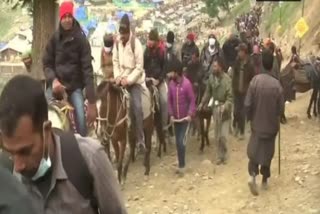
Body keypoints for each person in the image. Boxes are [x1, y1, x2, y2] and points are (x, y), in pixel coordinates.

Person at [0, 75, 127, 214]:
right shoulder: (8, 181)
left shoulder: (89, 157)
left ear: (47, 130)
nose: (18, 167)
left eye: (25, 151)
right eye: (11, 153)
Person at [43, 1, 97, 137]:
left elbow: (87, 70)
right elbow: (47, 64)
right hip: (55, 87)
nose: (67, 19)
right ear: (60, 18)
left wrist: (92, 101)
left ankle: (82, 148)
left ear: (73, 17)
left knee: (80, 118)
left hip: (74, 88)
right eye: (64, 16)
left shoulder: (81, 40)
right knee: (41, 113)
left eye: (69, 16)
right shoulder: (54, 39)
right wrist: (54, 81)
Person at [244, 49, 284, 196]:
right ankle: (265, 180)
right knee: (267, 153)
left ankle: (252, 175)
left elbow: (247, 104)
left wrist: (250, 118)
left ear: (261, 63)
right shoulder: (277, 85)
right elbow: (280, 109)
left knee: (254, 152)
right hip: (271, 126)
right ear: (271, 64)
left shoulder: (254, 81)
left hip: (256, 124)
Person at [113, 14, 146, 152]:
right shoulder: (117, 43)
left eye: (124, 34)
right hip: (120, 79)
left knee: (137, 107)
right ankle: (107, 135)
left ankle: (140, 139)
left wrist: (129, 80)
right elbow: (115, 61)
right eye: (121, 34)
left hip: (134, 81)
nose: (122, 37)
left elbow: (139, 67)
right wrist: (117, 77)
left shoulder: (136, 44)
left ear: (129, 32)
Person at [198, 57, 233, 165]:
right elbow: (208, 92)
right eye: (213, 66)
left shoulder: (227, 80)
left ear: (220, 67)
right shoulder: (211, 79)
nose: (213, 68)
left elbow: (230, 98)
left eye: (215, 66)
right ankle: (219, 156)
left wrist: (226, 106)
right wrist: (202, 103)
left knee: (223, 136)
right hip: (216, 109)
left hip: (225, 110)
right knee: (217, 135)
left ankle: (224, 154)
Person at [167, 58, 196, 176]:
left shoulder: (187, 84)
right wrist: (171, 115)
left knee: (181, 142)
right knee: (177, 143)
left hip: (185, 120)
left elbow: (192, 100)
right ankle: (180, 164)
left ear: (176, 72)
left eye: (170, 72)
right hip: (176, 120)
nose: (169, 74)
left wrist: (190, 114)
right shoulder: (171, 85)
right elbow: (169, 100)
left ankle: (182, 166)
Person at [144, 29, 167, 145]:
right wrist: (146, 77)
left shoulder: (162, 51)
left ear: (156, 41)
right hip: (148, 81)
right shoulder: (146, 51)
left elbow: (164, 68)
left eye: (151, 40)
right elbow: (143, 66)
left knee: (164, 101)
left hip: (159, 81)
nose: (149, 42)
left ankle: (164, 127)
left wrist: (159, 80)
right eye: (149, 40)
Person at [232, 43, 255, 140]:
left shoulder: (250, 64)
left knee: (242, 112)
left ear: (244, 52)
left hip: (245, 91)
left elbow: (252, 78)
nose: (238, 53)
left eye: (239, 51)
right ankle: (236, 126)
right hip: (237, 90)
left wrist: (249, 89)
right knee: (236, 111)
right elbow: (234, 76)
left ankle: (241, 132)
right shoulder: (237, 62)